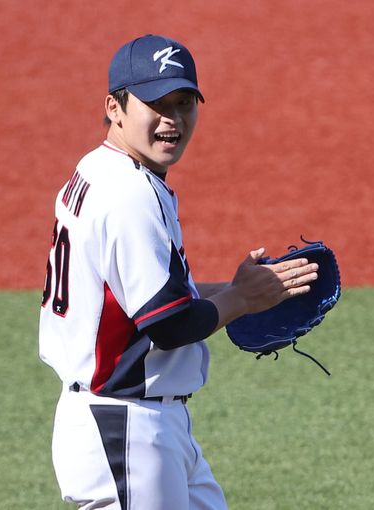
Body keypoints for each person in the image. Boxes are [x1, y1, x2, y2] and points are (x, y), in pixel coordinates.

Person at [39, 34, 319, 510]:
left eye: (184, 102)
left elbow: (134, 298)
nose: (173, 119)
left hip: (139, 423)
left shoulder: (100, 169)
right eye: (156, 104)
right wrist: (241, 300)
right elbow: (168, 325)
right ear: (114, 107)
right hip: (125, 426)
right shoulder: (129, 195)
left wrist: (250, 291)